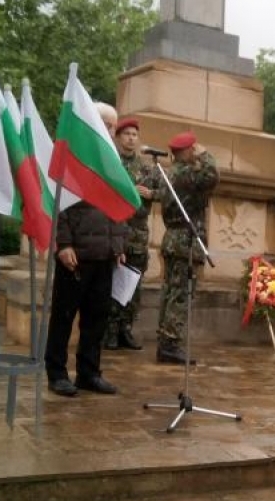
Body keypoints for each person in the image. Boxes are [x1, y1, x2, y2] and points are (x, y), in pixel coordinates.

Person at [44, 102, 127, 396]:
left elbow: (117, 207)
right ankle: (56, 373)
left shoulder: (110, 160)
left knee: (96, 317)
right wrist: (63, 244)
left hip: (104, 254)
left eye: (113, 126)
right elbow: (58, 206)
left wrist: (118, 245)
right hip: (76, 254)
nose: (111, 131)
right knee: (64, 315)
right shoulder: (73, 156)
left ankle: (88, 373)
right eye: (106, 124)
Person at [156, 131, 219, 364]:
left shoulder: (170, 173)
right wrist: (207, 155)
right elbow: (211, 177)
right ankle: (171, 343)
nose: (197, 152)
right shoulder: (185, 174)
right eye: (194, 149)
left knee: (171, 292)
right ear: (187, 151)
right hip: (185, 241)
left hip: (174, 238)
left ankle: (166, 340)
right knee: (180, 294)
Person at [103, 117, 164, 351]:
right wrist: (129, 187)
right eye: (126, 134)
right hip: (115, 230)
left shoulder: (147, 167)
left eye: (134, 135)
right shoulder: (113, 163)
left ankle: (125, 329)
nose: (131, 138)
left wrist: (151, 195)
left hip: (137, 233)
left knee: (133, 283)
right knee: (113, 281)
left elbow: (164, 192)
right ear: (118, 137)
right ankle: (109, 330)